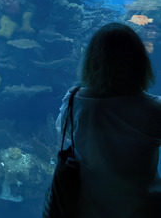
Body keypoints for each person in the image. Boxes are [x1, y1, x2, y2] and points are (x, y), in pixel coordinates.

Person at [55, 23, 161, 217]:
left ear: (91, 61)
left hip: (86, 210)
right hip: (142, 210)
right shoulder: (154, 109)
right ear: (140, 63)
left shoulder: (75, 101)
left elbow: (63, 130)